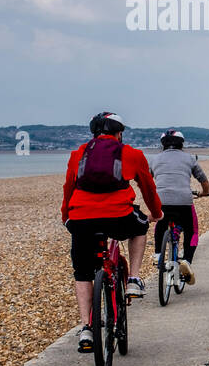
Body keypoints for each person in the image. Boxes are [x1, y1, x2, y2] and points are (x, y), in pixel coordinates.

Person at [61, 112, 163, 353]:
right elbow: (148, 188)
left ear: (94, 134)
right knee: (140, 227)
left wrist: (67, 216)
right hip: (118, 216)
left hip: (82, 218)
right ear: (119, 133)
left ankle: (86, 327)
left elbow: (69, 187)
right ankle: (134, 280)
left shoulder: (78, 154)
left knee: (82, 271)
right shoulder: (131, 154)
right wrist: (156, 213)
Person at [149, 129, 209, 285]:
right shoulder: (189, 158)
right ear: (181, 144)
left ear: (163, 144)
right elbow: (203, 180)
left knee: (161, 223)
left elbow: (148, 179)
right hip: (184, 200)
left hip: (161, 200)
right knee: (192, 230)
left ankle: (158, 254)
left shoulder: (155, 159)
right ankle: (187, 261)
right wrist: (205, 193)